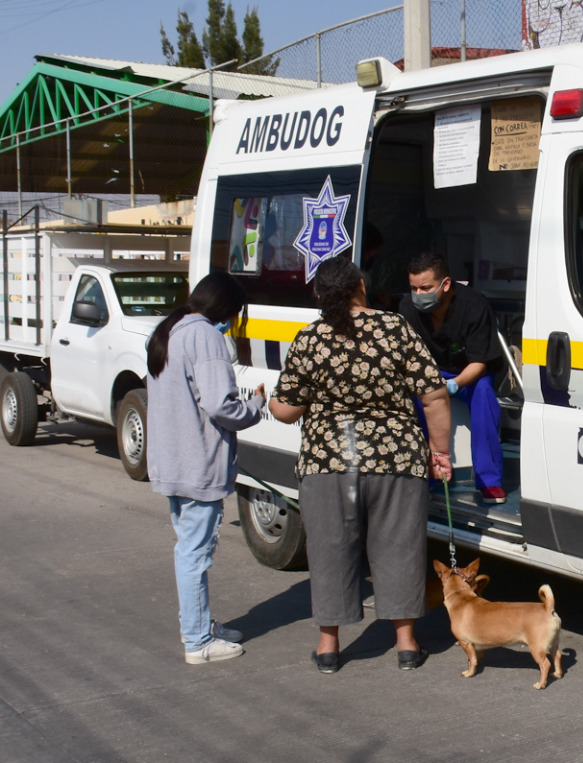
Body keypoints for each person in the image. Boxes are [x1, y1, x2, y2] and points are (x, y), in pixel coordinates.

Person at [268, 256, 453, 674]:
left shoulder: (311, 338)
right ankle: (406, 644)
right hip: (396, 458)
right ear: (362, 288)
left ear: (319, 295)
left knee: (330, 550)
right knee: (400, 547)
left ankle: (329, 647)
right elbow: (435, 397)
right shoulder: (396, 328)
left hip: (328, 460)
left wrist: (271, 400)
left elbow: (287, 410)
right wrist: (439, 453)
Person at [146, 272, 266, 664]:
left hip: (172, 459)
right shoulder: (206, 337)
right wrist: (255, 406)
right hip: (197, 462)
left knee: (189, 548)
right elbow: (220, 405)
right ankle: (198, 642)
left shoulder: (170, 329)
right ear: (227, 309)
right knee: (195, 554)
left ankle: (195, 626)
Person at [399, 253, 507, 504]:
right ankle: (423, 476)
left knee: (484, 395)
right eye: (413, 288)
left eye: (425, 288)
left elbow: (480, 362)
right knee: (413, 401)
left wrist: (453, 385)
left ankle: (489, 480)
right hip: (429, 373)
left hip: (468, 373)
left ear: (445, 284)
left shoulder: (475, 306)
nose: (419, 294)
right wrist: (429, 385)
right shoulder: (407, 308)